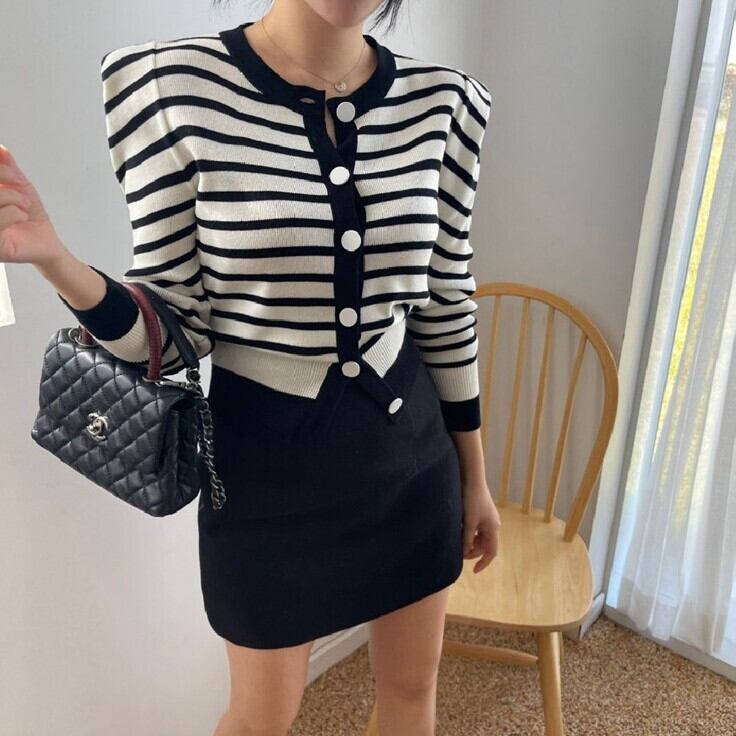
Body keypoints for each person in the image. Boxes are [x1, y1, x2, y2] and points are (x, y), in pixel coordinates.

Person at [0, 0, 501, 733]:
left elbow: (446, 305)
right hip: (264, 481)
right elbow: (173, 330)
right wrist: (56, 261)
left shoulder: (447, 104)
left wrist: (474, 477)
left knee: (411, 689)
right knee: (260, 716)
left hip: (412, 468)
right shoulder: (168, 86)